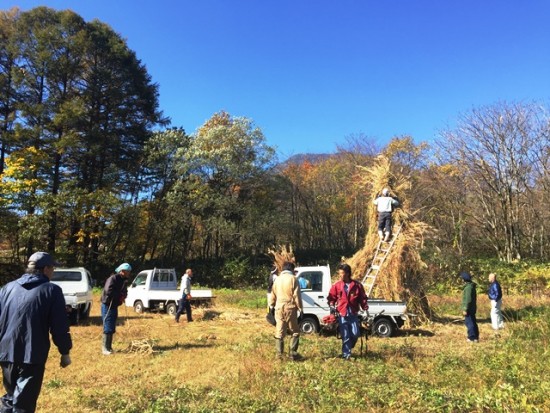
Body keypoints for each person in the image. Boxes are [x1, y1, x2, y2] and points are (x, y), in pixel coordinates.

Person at [0, 252, 72, 412]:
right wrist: (65, 351)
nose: (53, 272)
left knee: (11, 397)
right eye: (53, 268)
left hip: (6, 353)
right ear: (45, 269)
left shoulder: (7, 288)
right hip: (32, 354)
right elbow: (59, 326)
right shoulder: (51, 290)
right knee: (24, 403)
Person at [327, 263, 369, 360]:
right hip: (342, 314)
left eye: (342, 273)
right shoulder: (337, 286)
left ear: (348, 273)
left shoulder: (357, 285)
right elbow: (331, 297)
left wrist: (365, 308)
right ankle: (346, 355)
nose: (340, 275)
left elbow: (362, 298)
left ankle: (349, 346)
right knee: (345, 335)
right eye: (339, 273)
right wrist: (332, 306)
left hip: (353, 314)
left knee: (355, 334)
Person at [269, 261, 303, 360]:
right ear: (292, 269)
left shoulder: (277, 279)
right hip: (290, 307)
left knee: (279, 332)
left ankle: (279, 356)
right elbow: (297, 296)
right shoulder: (293, 279)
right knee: (295, 331)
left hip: (279, 308)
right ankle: (293, 354)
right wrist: (300, 309)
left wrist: (271, 306)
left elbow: (272, 295)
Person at [101, 263, 131, 355]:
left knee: (112, 326)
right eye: (127, 271)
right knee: (108, 325)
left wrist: (124, 296)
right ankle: (105, 349)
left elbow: (125, 291)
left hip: (114, 305)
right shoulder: (113, 278)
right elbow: (108, 291)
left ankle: (109, 347)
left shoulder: (124, 280)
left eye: (129, 272)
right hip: (107, 305)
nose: (128, 273)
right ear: (122, 271)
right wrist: (119, 296)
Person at [460, 271, 479, 342]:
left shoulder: (468, 288)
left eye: (462, 278)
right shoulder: (470, 286)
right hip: (472, 308)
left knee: (469, 322)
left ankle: (471, 337)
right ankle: (475, 337)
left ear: (464, 279)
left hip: (469, 309)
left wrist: (465, 308)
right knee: (473, 321)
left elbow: (468, 299)